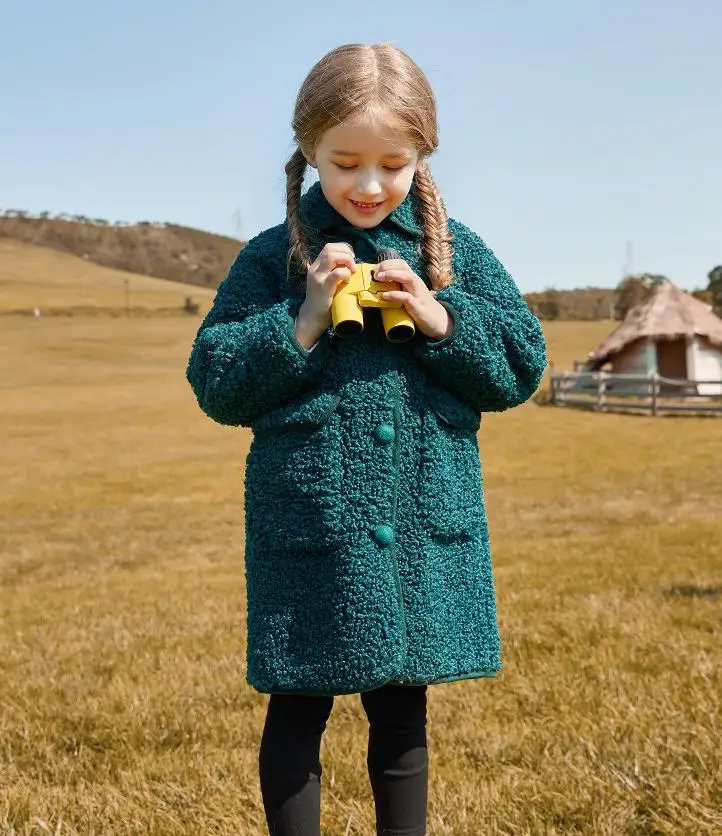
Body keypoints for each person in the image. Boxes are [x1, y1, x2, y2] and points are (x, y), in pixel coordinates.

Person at [186, 42, 547, 836]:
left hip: (418, 534)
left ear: (423, 153)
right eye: (346, 162)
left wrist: (441, 317)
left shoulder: (453, 252)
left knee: (402, 719)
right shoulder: (272, 259)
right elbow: (215, 379)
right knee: (297, 714)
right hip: (309, 531)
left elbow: (521, 366)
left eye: (393, 162)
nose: (371, 185)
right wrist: (303, 321)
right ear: (309, 149)